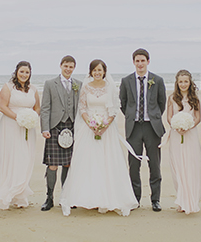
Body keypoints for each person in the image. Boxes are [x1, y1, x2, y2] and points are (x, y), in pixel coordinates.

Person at [59, 59, 139, 216]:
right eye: (94, 70)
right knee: (88, 162)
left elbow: (114, 109)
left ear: (104, 72)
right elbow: (82, 107)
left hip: (106, 130)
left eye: (100, 70)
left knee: (107, 162)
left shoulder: (110, 88)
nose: (97, 73)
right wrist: (91, 124)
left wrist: (103, 126)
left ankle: (107, 198)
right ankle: (88, 197)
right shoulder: (86, 87)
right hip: (88, 128)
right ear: (91, 72)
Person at [119, 48, 166, 212]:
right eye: (137, 61)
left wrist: (152, 117)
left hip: (152, 127)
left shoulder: (157, 80)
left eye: (143, 61)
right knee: (134, 165)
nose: (140, 64)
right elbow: (123, 103)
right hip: (134, 127)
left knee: (155, 164)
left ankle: (155, 200)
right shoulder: (126, 81)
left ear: (148, 62)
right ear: (133, 62)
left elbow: (162, 103)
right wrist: (132, 117)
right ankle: (135, 199)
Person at [0, 61, 40, 210]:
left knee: (25, 158)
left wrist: (32, 117)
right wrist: (17, 118)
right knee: (11, 158)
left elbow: (37, 107)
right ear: (16, 72)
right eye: (22, 72)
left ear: (30, 74)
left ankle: (20, 195)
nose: (24, 75)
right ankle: (8, 193)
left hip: (27, 128)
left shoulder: (33, 89)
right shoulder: (8, 87)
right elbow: (2, 107)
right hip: (11, 127)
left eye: (27, 72)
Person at [39, 55, 82, 211]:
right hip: (55, 127)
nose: (68, 69)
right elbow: (45, 107)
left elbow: (81, 108)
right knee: (52, 165)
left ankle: (66, 196)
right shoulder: (50, 84)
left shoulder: (79, 84)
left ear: (74, 68)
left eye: (71, 67)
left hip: (72, 127)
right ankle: (49, 198)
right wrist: (45, 128)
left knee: (68, 164)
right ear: (61, 66)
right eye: (66, 66)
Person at [162, 70, 201, 214]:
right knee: (178, 168)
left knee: (191, 167)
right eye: (181, 82)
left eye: (186, 81)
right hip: (175, 135)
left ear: (190, 82)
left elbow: (198, 117)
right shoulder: (172, 98)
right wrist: (177, 126)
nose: (183, 84)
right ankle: (181, 200)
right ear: (177, 83)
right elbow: (169, 117)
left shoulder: (195, 99)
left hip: (190, 135)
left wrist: (188, 126)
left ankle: (191, 201)